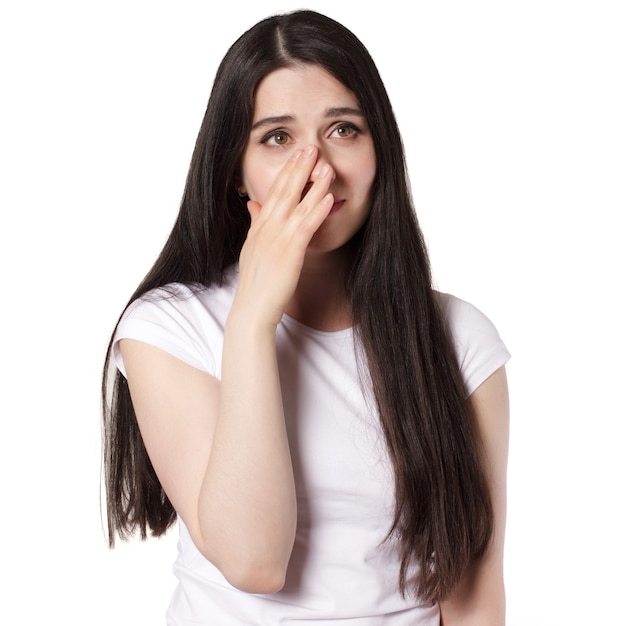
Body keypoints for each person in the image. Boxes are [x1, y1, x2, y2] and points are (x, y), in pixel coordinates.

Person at [102, 9, 511, 625]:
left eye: (344, 130)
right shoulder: (167, 329)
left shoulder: (461, 340)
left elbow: (473, 593)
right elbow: (253, 561)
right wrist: (252, 320)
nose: (316, 168)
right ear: (235, 172)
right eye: (276, 138)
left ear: (381, 155)